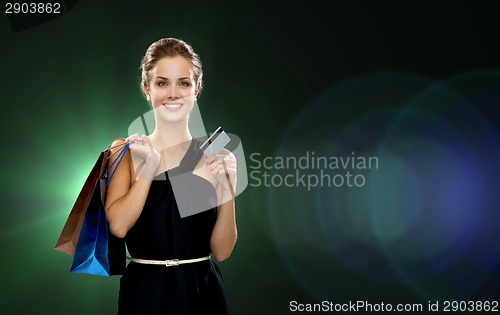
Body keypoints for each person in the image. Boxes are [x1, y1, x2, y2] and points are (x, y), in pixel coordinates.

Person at [104, 37, 237, 314]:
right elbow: (118, 226)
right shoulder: (125, 150)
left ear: (197, 89)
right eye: (162, 82)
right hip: (146, 293)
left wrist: (228, 190)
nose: (173, 93)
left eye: (184, 83)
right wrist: (149, 167)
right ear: (147, 88)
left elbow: (222, 252)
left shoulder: (217, 154)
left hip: (204, 292)